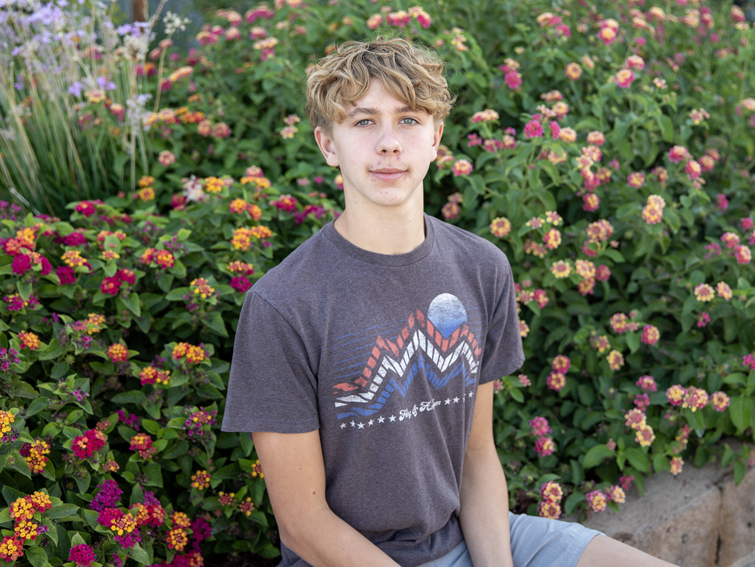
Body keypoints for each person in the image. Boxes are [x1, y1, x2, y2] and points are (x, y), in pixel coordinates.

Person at [222, 37, 676, 567]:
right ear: (328, 144)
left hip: (473, 535)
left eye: (409, 120)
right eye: (363, 122)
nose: (389, 143)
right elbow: (303, 524)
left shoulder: (482, 267)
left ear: (436, 137)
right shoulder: (282, 305)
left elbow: (475, 456)